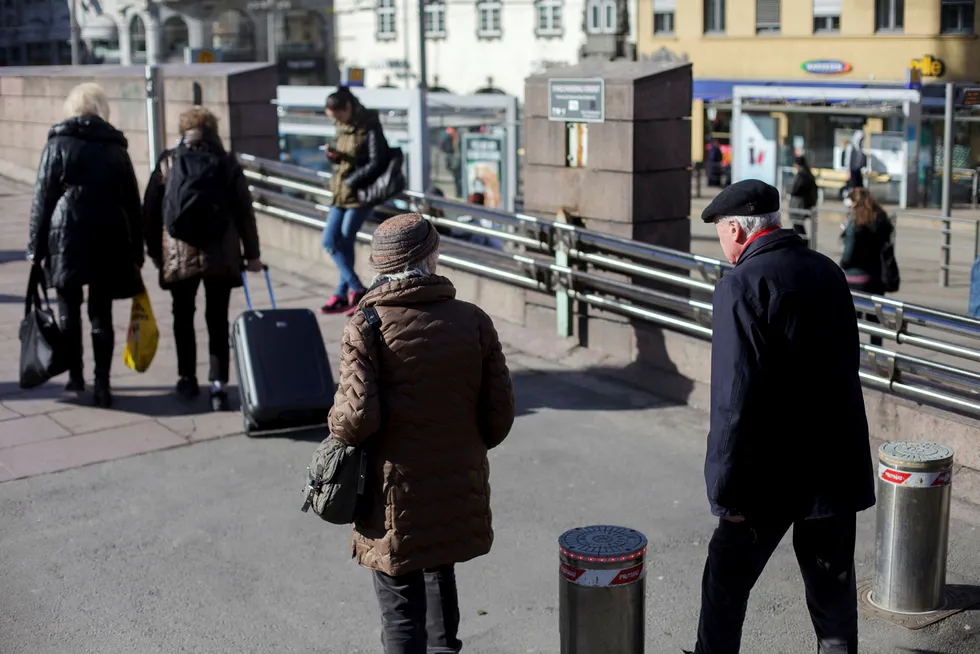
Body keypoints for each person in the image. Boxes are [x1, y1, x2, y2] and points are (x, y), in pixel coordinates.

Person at [688, 180, 874, 654]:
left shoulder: (741, 284)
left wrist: (724, 489)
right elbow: (846, 363)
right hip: (833, 469)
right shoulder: (826, 270)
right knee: (833, 602)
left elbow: (734, 398)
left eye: (721, 233)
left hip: (766, 479)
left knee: (725, 585)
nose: (723, 246)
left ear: (736, 228)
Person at [328, 213, 515, 654]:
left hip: (392, 490)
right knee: (439, 572)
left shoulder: (367, 325)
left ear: (380, 265)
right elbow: (500, 416)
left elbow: (354, 422)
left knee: (398, 605)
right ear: (430, 258)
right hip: (454, 479)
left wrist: (333, 421)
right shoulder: (473, 320)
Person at [26, 83, 145, 408]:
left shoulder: (57, 143)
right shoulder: (115, 148)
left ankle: (76, 377)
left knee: (68, 311)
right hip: (109, 232)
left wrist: (35, 250)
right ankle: (103, 386)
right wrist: (138, 247)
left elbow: (42, 199)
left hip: (66, 233)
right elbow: (132, 202)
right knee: (100, 314)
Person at [142, 106, 263, 411]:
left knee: (182, 316)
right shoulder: (226, 162)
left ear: (184, 129)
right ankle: (219, 385)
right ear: (212, 129)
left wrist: (157, 255)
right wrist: (252, 255)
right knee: (217, 318)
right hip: (220, 253)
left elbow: (150, 211)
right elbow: (244, 211)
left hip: (178, 252)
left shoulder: (168, 160)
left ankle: (186, 379)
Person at [320, 86, 390, 316]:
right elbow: (346, 159)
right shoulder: (341, 127)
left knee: (344, 240)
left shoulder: (370, 125)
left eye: (338, 115)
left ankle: (349, 291)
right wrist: (335, 157)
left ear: (347, 107)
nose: (337, 120)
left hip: (359, 194)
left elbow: (376, 161)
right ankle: (351, 289)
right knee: (330, 240)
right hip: (340, 192)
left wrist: (353, 180)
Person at [840, 187, 894, 348]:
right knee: (874, 319)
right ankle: (876, 352)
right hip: (876, 277)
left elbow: (848, 256)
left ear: (855, 203)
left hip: (855, 278)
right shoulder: (881, 219)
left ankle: (852, 354)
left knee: (850, 321)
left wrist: (842, 262)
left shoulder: (854, 224)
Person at [788, 155, 819, 242]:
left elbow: (795, 189)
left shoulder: (801, 175)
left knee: (798, 225)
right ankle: (802, 241)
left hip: (798, 204)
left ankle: (803, 242)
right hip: (803, 203)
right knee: (798, 225)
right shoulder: (807, 174)